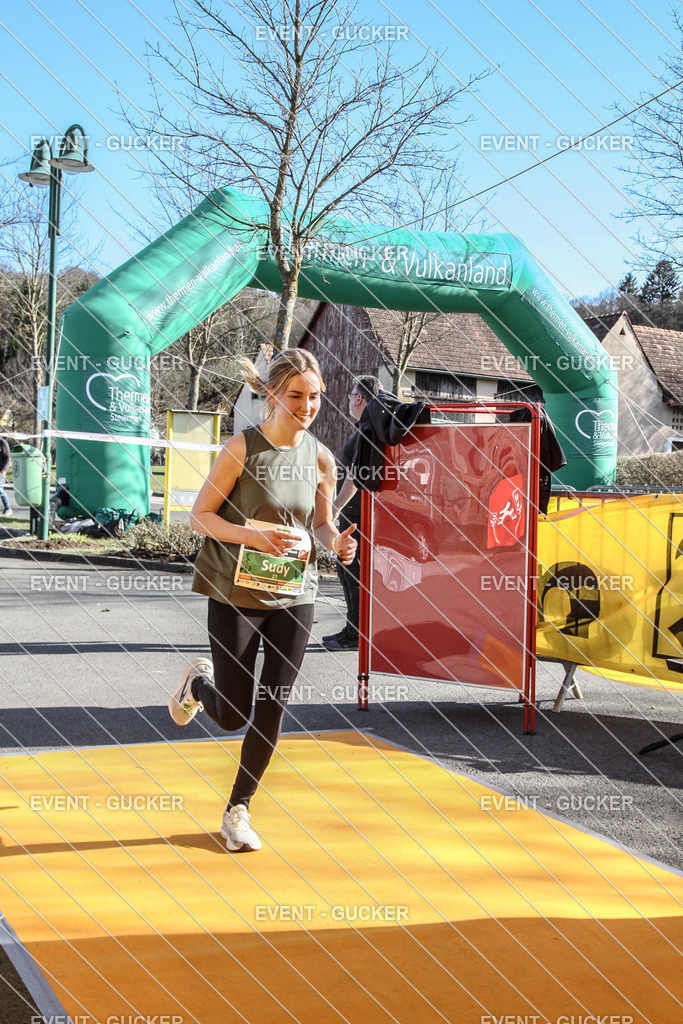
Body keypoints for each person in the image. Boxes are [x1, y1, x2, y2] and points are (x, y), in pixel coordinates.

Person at [168, 349, 357, 853]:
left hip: (295, 593)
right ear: (272, 394)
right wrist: (252, 538)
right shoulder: (242, 449)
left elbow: (321, 524)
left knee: (273, 704)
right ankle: (198, 684)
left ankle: (238, 809)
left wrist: (336, 543)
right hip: (236, 593)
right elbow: (200, 516)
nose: (307, 406)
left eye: (314, 396)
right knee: (233, 713)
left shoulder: (321, 458)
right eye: (296, 395)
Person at [322, 376, 381, 652]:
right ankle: (351, 629)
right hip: (354, 514)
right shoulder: (365, 429)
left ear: (359, 398)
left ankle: (356, 636)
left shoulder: (367, 431)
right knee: (345, 570)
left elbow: (355, 477)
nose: (349, 400)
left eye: (351, 395)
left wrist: (334, 508)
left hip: (357, 516)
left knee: (353, 572)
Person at [0, 437, 12, 516]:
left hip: (1, 470)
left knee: (0, 489)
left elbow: (8, 458)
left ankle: (8, 508)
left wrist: (4, 470)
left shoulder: (3, 443)